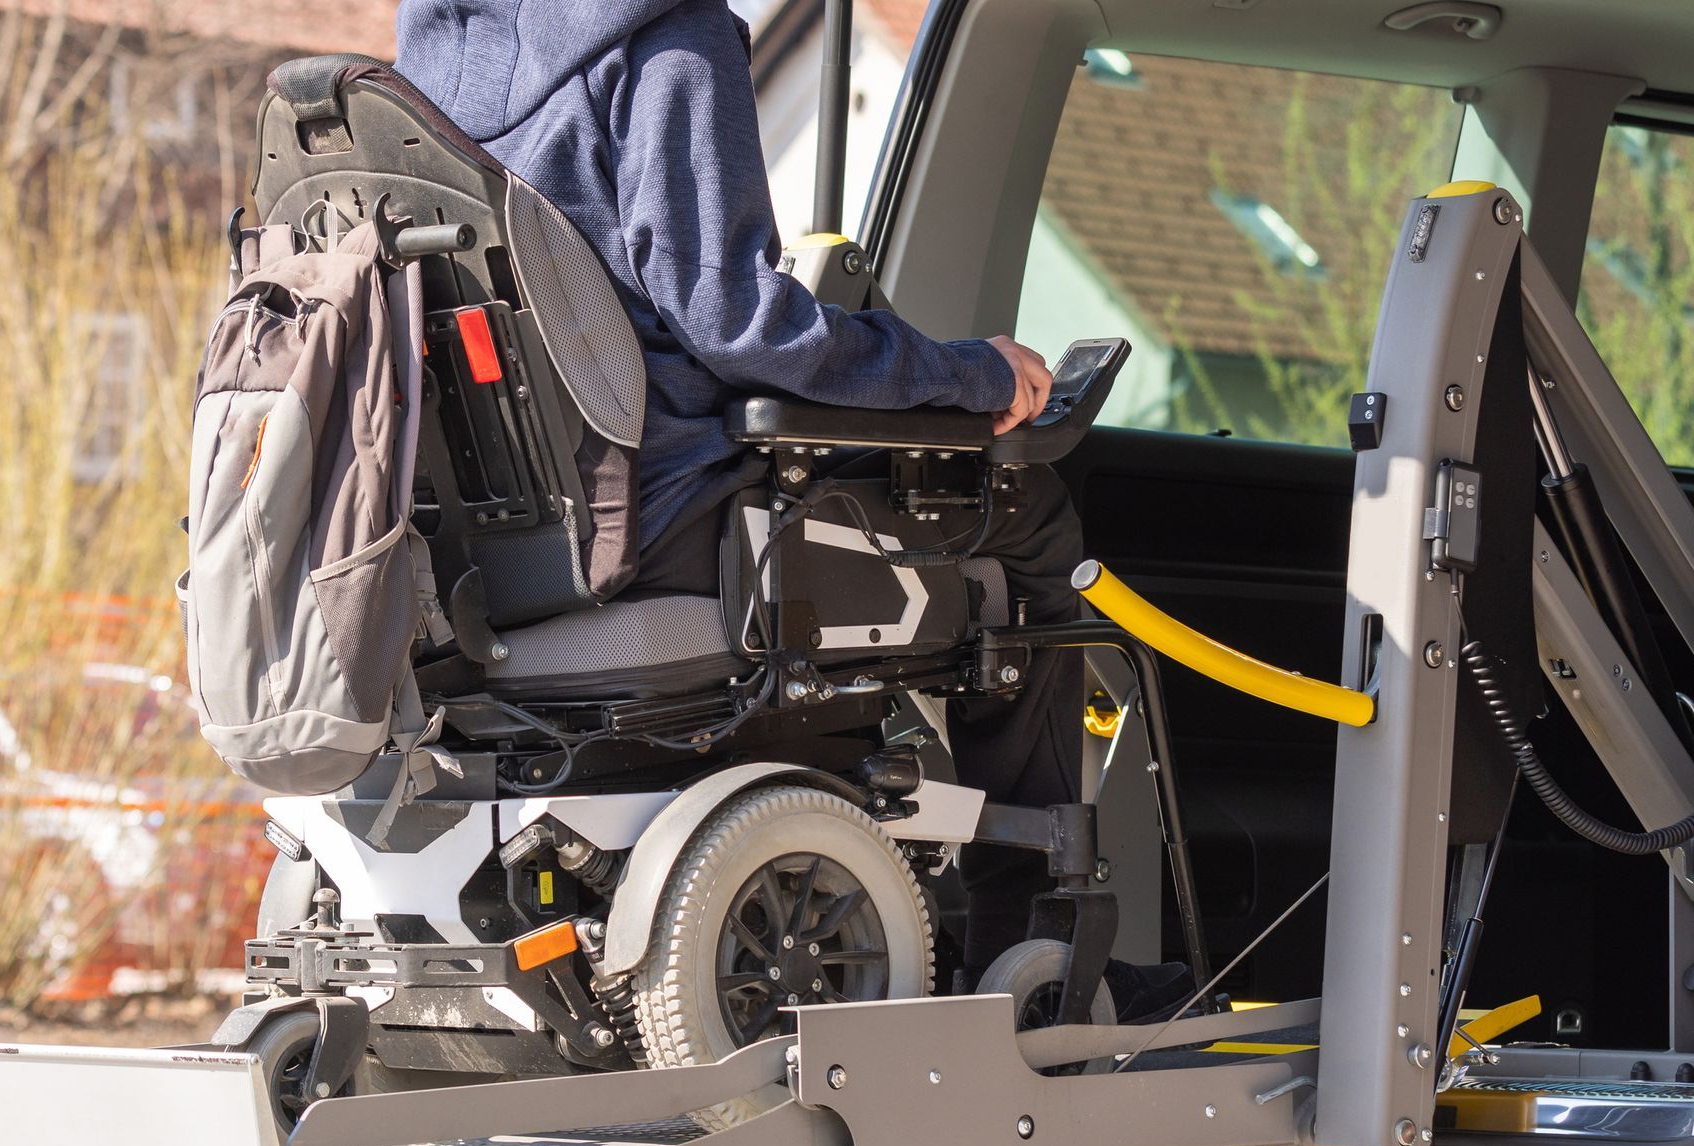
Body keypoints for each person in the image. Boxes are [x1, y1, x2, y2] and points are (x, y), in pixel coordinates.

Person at [393, 0, 1185, 1012]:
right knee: (1019, 513)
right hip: (670, 521)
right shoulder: (667, 41)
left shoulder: (421, 73)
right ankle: (1027, 946)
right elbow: (740, 325)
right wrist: (972, 374)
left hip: (497, 550)